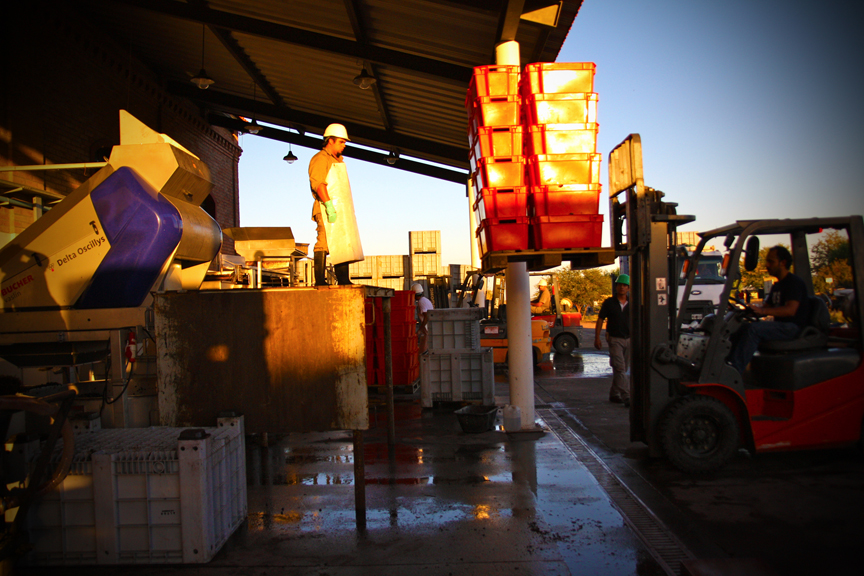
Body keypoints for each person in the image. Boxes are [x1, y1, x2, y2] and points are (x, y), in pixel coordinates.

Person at [727, 246, 811, 374]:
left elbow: (790, 310)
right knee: (740, 328)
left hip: (793, 328)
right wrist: (749, 310)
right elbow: (766, 307)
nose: (767, 265)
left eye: (771, 261)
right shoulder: (777, 285)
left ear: (782, 263)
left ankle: (734, 371)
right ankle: (725, 365)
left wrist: (762, 312)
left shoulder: (794, 283)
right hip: (780, 327)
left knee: (753, 330)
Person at [308, 123, 364, 286]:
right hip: (326, 208)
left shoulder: (336, 161)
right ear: (330, 141)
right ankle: (319, 280)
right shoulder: (320, 159)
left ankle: (343, 279)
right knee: (324, 242)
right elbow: (318, 184)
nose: (344, 145)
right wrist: (329, 206)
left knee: (341, 242)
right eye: (342, 142)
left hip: (339, 208)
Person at [594, 274, 631, 406]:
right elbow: (600, 319)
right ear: (616, 286)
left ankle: (614, 394)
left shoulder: (632, 303)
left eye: (625, 285)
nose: (622, 287)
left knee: (621, 368)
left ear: (628, 288)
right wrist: (597, 337)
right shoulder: (609, 303)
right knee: (620, 368)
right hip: (615, 339)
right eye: (620, 285)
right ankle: (626, 396)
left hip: (629, 339)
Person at [413, 283, 434, 353]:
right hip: (429, 328)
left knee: (424, 351)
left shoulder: (421, 302)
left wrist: (420, 329)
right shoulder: (425, 300)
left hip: (428, 328)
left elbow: (426, 317)